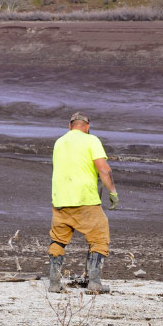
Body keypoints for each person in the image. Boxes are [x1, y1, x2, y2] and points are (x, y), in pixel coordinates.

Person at [47, 112, 118, 294]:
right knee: (99, 238)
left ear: (70, 125)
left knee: (58, 240)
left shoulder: (59, 142)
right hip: (84, 199)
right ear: (87, 126)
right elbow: (103, 169)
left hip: (60, 199)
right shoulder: (91, 140)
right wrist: (112, 192)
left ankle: (54, 283)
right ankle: (95, 283)